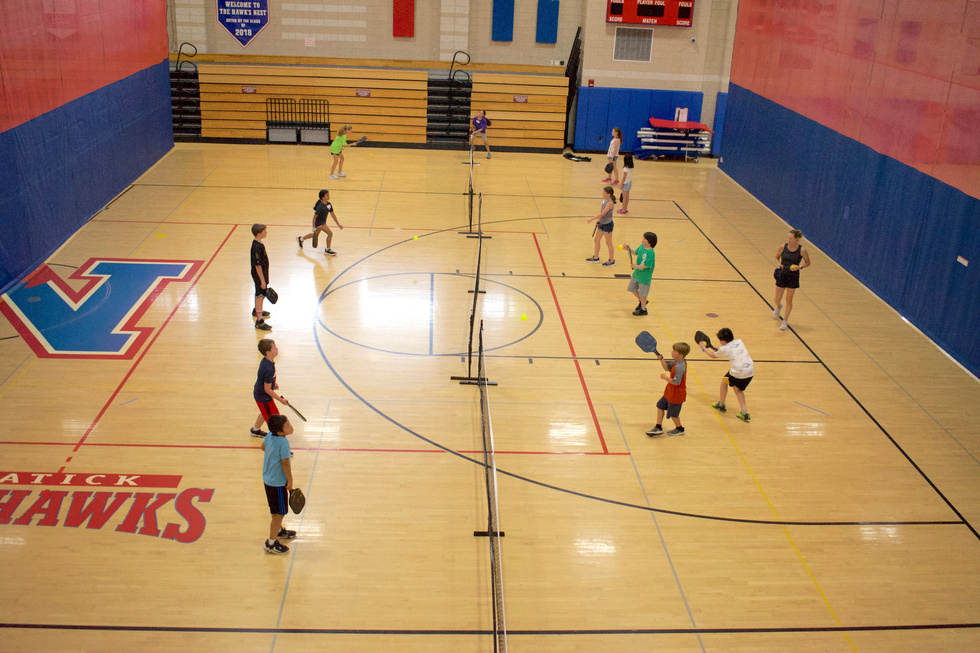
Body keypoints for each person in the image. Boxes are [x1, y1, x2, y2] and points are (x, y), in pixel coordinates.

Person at [701, 328, 754, 422]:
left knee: (724, 381)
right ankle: (745, 413)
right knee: (738, 389)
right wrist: (715, 349)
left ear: (722, 341)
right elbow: (726, 350)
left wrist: (704, 348)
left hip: (739, 371)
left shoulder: (724, 348)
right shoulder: (739, 341)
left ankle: (721, 404)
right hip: (750, 371)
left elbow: (714, 355)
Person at [261, 414, 296, 555]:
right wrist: (290, 481)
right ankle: (271, 543)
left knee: (274, 510)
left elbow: (263, 447)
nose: (291, 426)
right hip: (278, 483)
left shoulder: (270, 435)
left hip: (268, 479)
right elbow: (285, 463)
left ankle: (279, 531)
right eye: (287, 426)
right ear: (281, 432)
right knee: (279, 514)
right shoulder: (283, 442)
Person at [646, 342, 690, 436]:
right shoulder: (676, 362)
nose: (672, 352)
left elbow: (676, 382)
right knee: (660, 405)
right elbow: (666, 367)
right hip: (670, 392)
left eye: (674, 351)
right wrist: (661, 359)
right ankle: (658, 427)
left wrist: (665, 378)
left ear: (681, 355)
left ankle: (680, 429)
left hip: (676, 395)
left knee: (674, 415)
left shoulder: (680, 367)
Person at [772, 229, 811, 331]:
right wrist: (778, 264)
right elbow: (776, 257)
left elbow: (807, 262)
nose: (789, 240)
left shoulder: (802, 250)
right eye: (788, 238)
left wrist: (800, 267)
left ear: (796, 239)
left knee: (789, 299)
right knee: (777, 298)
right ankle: (778, 306)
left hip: (793, 276)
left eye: (791, 238)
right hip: (782, 274)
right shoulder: (783, 247)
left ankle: (785, 320)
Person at [252, 338, 291, 437]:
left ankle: (255, 430)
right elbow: (267, 389)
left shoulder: (267, 361)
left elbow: (266, 380)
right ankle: (278, 447)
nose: (277, 349)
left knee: (265, 412)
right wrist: (280, 400)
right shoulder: (268, 368)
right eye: (274, 348)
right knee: (275, 423)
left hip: (261, 394)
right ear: (268, 352)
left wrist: (273, 382)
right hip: (263, 397)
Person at [298, 189, 344, 256]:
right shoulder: (320, 206)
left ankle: (301, 239)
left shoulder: (329, 204)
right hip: (319, 223)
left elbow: (332, 214)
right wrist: (314, 227)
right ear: (323, 197)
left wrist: (338, 224)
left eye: (329, 195)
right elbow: (314, 218)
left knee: (315, 235)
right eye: (327, 195)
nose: (329, 196)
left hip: (323, 222)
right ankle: (327, 250)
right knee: (330, 233)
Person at [586, 186, 617, 266]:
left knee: (608, 242)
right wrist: (598, 220)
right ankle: (596, 258)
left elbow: (603, 213)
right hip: (602, 223)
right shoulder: (605, 201)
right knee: (596, 239)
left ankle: (611, 261)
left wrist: (592, 219)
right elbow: (602, 212)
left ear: (609, 194)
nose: (602, 194)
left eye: (604, 193)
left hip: (607, 224)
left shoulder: (610, 203)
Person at [627, 231, 657, 315]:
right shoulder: (641, 247)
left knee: (643, 293)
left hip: (645, 276)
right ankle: (643, 301)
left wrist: (635, 266)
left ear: (650, 241)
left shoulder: (650, 253)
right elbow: (635, 252)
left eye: (645, 239)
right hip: (637, 274)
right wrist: (628, 249)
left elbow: (647, 265)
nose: (642, 240)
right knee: (631, 288)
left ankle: (644, 309)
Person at [250, 223, 271, 330]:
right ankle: (259, 321)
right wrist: (262, 280)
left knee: (259, 294)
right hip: (259, 275)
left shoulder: (259, 244)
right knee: (260, 296)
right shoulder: (256, 247)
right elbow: (257, 266)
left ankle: (256, 310)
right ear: (259, 233)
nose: (266, 232)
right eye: (264, 231)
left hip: (262, 273)